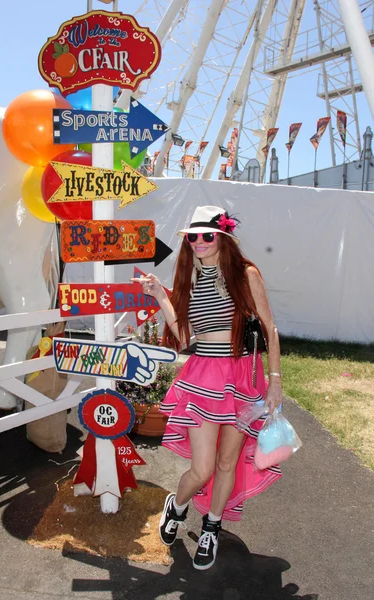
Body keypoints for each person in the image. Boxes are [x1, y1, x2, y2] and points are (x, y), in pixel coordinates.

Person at [132, 206, 282, 571]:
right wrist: (160, 296)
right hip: (203, 379)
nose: (198, 242)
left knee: (228, 461)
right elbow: (184, 337)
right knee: (201, 468)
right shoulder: (190, 277)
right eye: (193, 236)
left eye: (207, 235)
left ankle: (212, 526)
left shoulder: (246, 275)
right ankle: (177, 506)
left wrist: (275, 380)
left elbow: (270, 328)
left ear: (223, 238)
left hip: (243, 377)